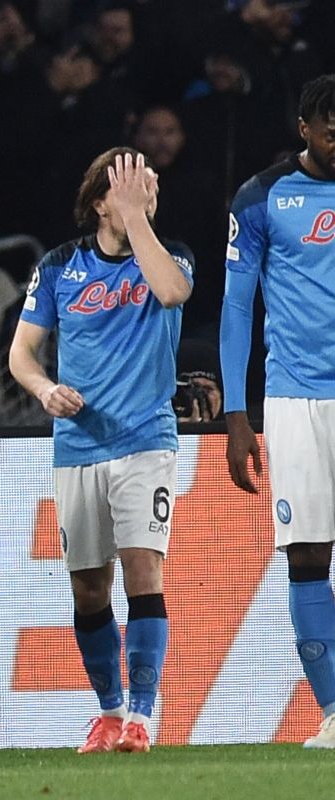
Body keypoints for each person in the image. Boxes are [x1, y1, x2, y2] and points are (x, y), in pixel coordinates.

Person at [9, 146, 193, 754]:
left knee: (143, 570)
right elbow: (21, 353)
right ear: (98, 202)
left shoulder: (170, 255)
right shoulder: (60, 266)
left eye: (150, 181)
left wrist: (136, 218)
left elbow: (172, 293)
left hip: (145, 440)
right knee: (88, 589)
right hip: (78, 445)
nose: (146, 190)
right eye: (130, 184)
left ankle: (142, 716)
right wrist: (45, 390)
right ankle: (110, 712)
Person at [221, 74, 335, 749]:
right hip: (295, 400)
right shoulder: (262, 197)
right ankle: (334, 713)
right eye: (329, 126)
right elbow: (238, 307)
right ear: (304, 129)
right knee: (308, 555)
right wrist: (237, 415)